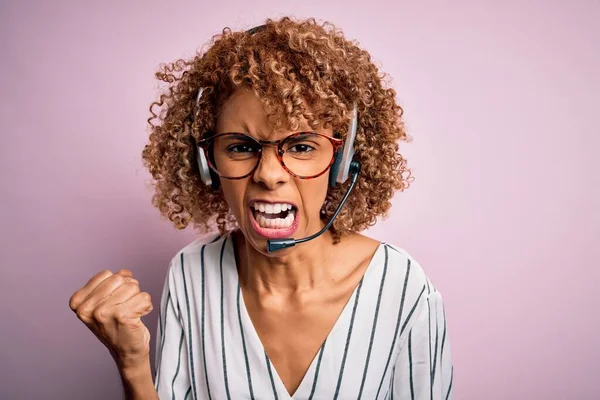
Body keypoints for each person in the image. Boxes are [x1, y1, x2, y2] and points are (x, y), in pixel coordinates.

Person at [69, 16, 453, 400]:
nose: (269, 175)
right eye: (240, 146)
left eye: (302, 146)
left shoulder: (403, 288)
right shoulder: (191, 274)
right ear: (207, 164)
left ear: (342, 163)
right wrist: (132, 362)